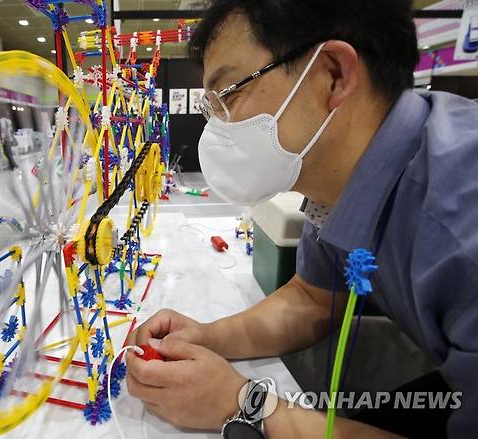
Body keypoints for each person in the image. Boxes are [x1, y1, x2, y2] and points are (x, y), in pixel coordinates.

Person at [125, 1, 478, 438]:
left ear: (333, 74)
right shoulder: (336, 182)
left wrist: (244, 405)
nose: (217, 127)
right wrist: (205, 335)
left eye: (229, 93)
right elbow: (313, 298)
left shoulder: (461, 223)